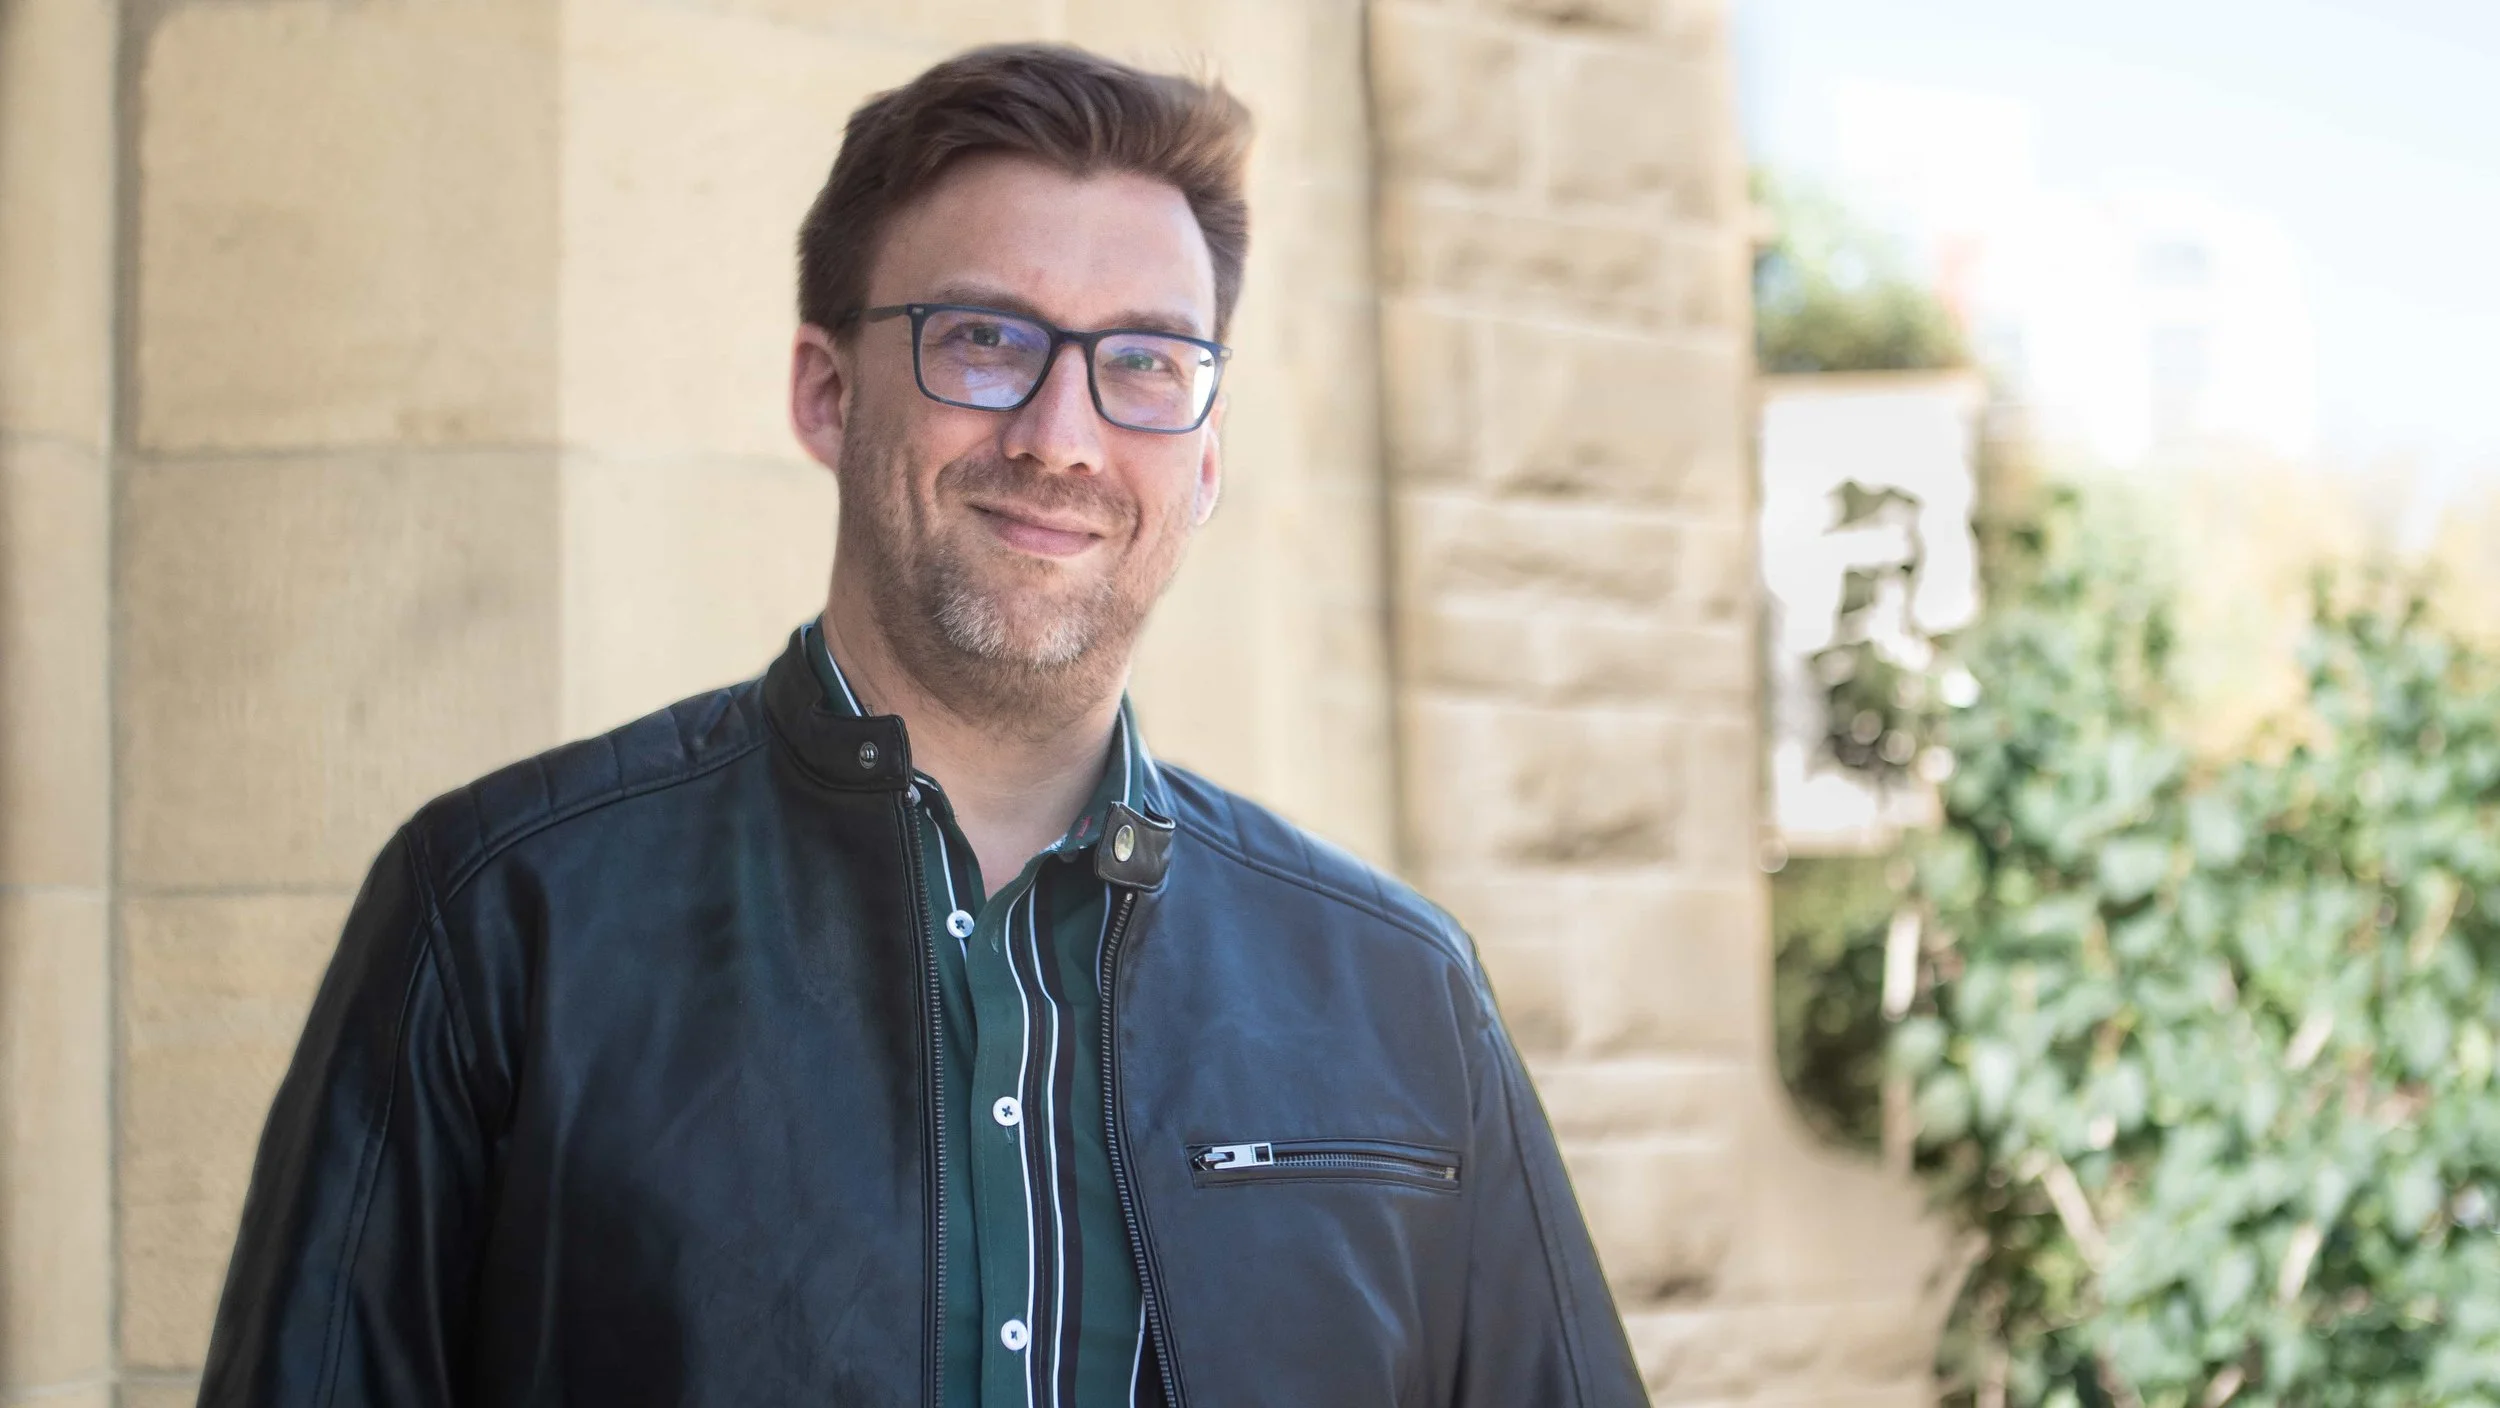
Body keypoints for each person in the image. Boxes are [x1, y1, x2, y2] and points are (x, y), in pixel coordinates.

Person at [198, 42, 1645, 1408]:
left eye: (1143, 361)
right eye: (982, 338)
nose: (1060, 436)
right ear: (827, 393)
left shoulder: (1400, 989)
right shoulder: (506, 918)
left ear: (1203, 461)